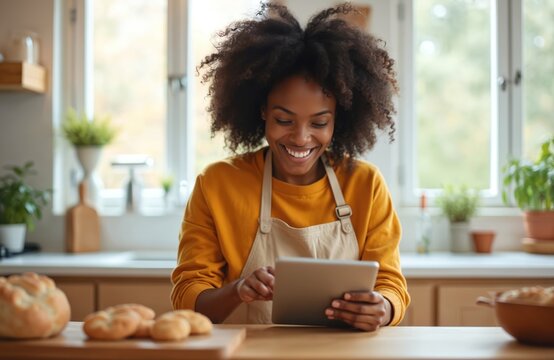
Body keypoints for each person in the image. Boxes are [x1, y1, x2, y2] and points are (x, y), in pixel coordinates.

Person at [171, 2, 410, 332]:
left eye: (319, 122)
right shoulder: (217, 184)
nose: (300, 138)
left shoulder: (365, 184)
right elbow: (188, 298)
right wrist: (238, 290)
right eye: (284, 119)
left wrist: (383, 308)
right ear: (262, 111)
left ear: (338, 120)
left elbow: (391, 285)